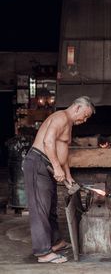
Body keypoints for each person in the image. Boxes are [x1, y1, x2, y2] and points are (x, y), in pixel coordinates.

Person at [23, 96, 95, 263]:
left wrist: (67, 175)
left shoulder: (68, 123)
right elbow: (48, 142)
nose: (84, 120)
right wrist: (56, 167)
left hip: (48, 164)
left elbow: (63, 151)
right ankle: (43, 253)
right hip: (38, 163)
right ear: (77, 107)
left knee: (50, 207)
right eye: (84, 115)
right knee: (40, 209)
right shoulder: (61, 117)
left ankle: (56, 242)